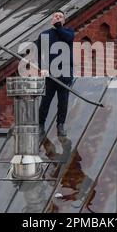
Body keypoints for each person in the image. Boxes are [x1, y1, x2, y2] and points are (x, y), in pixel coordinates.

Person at [36, 10, 74, 139]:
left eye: (60, 17)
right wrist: (42, 68)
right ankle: (40, 125)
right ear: (51, 20)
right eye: (55, 16)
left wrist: (59, 27)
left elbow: (68, 38)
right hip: (50, 74)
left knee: (63, 102)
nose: (58, 18)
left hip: (64, 74)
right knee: (45, 101)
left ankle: (60, 125)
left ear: (64, 21)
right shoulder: (45, 35)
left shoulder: (68, 32)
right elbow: (37, 52)